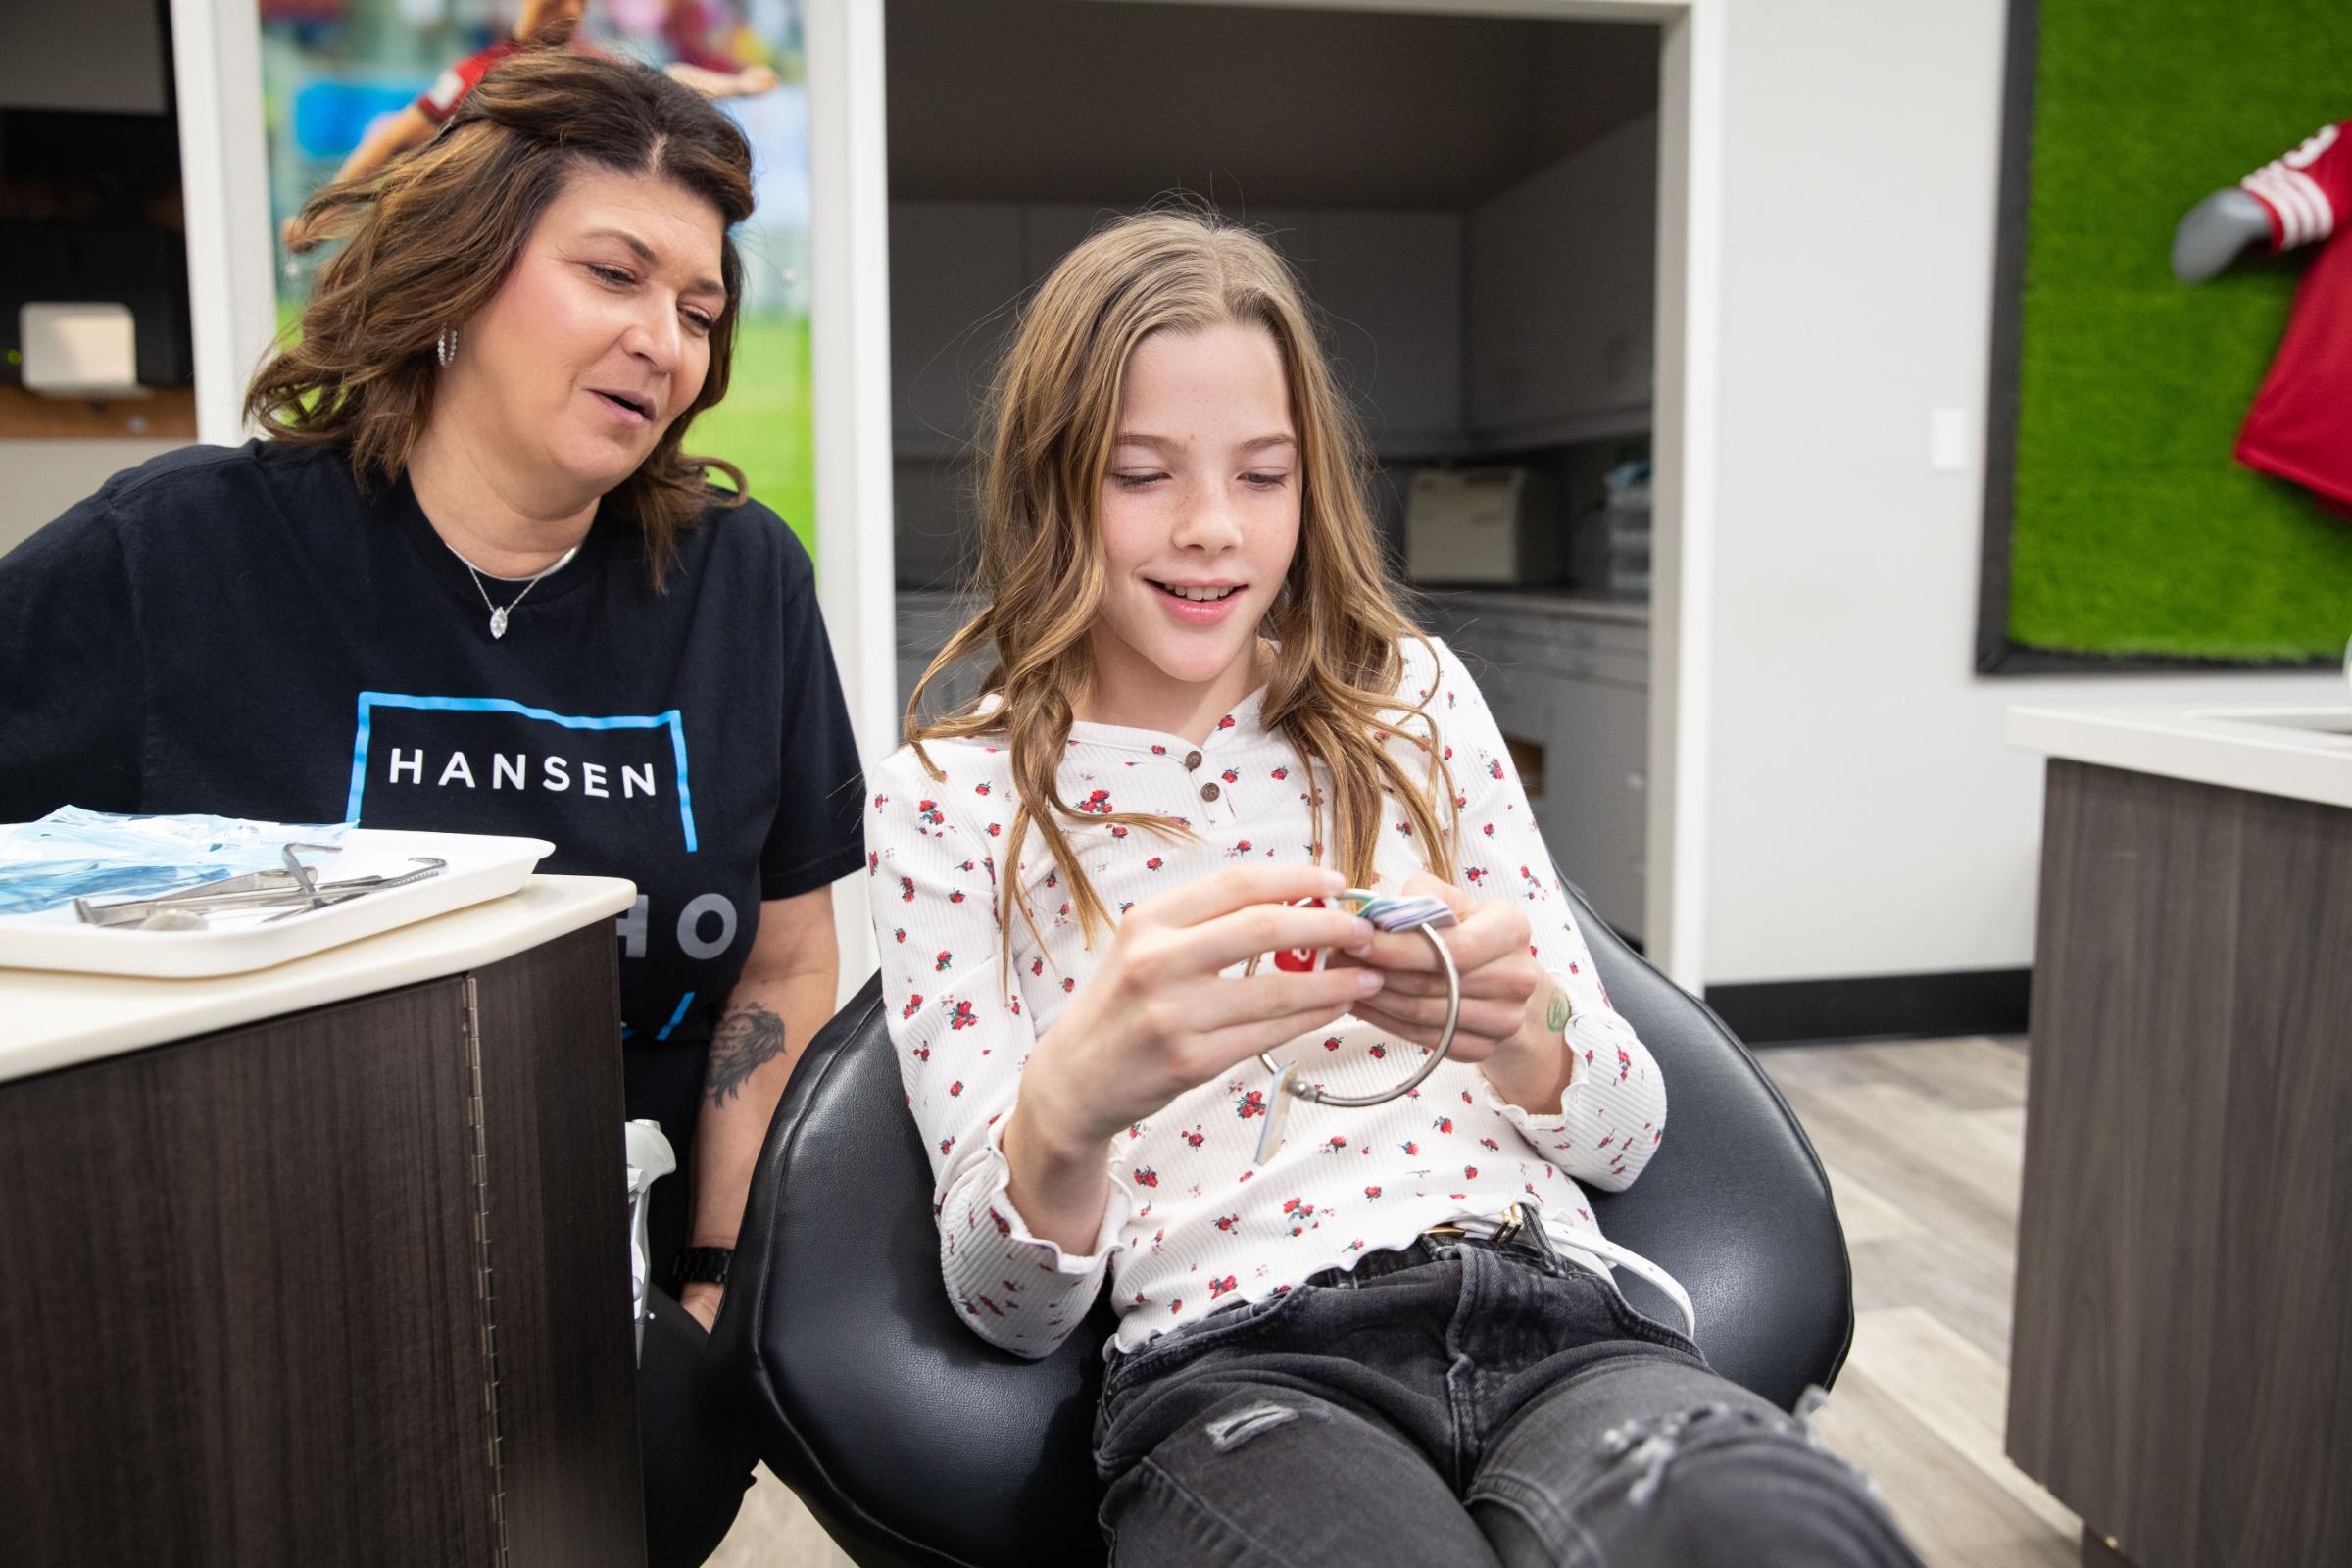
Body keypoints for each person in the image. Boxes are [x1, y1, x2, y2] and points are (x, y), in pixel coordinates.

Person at [864, 211, 1921, 1567]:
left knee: (1783, 1539)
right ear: (1050, 480)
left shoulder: (1410, 702)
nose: (1210, 531)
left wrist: (1526, 1023)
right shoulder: (951, 801)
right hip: (1245, 1372)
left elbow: (1629, 1134)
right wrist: (1069, 1106)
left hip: (1563, 1325)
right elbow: (1008, 1312)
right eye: (1142, 474)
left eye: (1263, 475)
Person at [0, 49, 858, 1560]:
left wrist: (715, 1290)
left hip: (621, 1336)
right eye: (615, 272)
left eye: (700, 309)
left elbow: (782, 966)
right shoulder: (181, 558)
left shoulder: (741, 585)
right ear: (466, 267)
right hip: (250, 1337)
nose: (664, 339)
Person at [294, 0, 777, 240]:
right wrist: (329, 206)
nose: (554, 10)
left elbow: (671, 80)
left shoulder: (595, 71)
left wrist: (737, 85)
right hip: (477, 232)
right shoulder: (480, 72)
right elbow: (395, 138)